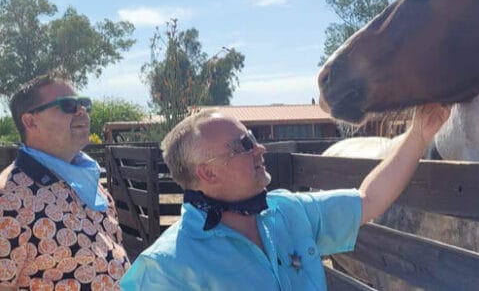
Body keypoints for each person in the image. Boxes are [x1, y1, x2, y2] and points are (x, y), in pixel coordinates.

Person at [120, 103, 450, 290]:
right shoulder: (166, 268)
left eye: (253, 137)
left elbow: (369, 199)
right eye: (244, 145)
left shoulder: (287, 212)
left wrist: (420, 132)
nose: (260, 148)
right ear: (208, 173)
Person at [0, 74, 130, 290]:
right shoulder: (8, 199)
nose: (82, 111)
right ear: (31, 121)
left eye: (83, 103)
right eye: (68, 105)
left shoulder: (89, 183)